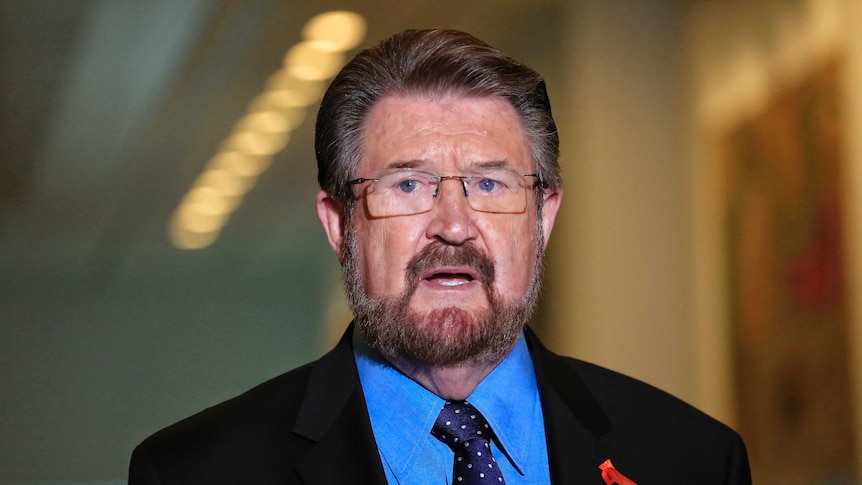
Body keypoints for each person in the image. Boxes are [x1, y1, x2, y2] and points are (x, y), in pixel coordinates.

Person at [128, 29, 752, 484]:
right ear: (341, 225)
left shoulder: (692, 459)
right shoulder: (194, 471)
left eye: (489, 184)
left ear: (543, 217)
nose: (454, 226)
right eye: (408, 185)